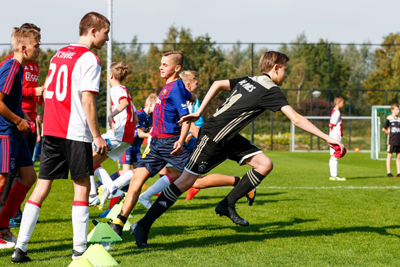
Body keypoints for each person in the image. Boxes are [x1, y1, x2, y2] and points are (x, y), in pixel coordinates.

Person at [130, 51, 345, 248]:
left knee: (264, 164)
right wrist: (328, 138)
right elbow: (296, 119)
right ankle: (144, 225)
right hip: (213, 136)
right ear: (276, 67)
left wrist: (199, 112)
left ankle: (227, 204)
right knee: (185, 182)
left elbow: (216, 84)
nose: (286, 74)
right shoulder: (271, 90)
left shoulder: (248, 80)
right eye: (285, 69)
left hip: (228, 137)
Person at [12, 12, 110, 263]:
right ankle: (79, 249)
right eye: (105, 33)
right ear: (93, 30)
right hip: (74, 130)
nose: (106, 39)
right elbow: (88, 98)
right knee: (82, 186)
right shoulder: (90, 58)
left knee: (42, 187)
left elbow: (49, 89)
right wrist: (97, 135)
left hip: (52, 129)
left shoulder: (60, 54)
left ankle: (20, 248)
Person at [108, 50, 194, 236]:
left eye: (165, 64)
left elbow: (186, 118)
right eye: (161, 63)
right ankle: (119, 222)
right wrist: (191, 98)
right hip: (155, 145)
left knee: (196, 179)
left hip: (172, 145)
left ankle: (235, 189)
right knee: (135, 182)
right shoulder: (169, 86)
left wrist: (180, 140)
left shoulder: (175, 88)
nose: (160, 67)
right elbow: (189, 96)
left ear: (176, 68)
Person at [0, 26, 41, 249]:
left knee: (28, 177)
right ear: (24, 47)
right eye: (36, 45)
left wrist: (24, 115)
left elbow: (12, 102)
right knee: (3, 179)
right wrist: (17, 121)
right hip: (5, 131)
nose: (39, 49)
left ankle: (3, 225)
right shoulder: (11, 68)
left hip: (17, 130)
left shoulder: (21, 68)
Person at [88, 61, 137, 209]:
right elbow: (135, 116)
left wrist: (111, 115)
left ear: (110, 75)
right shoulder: (125, 89)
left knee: (85, 160)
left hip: (120, 134)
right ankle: (112, 188)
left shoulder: (116, 89)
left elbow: (123, 104)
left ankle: (92, 196)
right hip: (126, 136)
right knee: (93, 162)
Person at [329, 96, 346, 181]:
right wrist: (335, 137)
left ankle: (333, 175)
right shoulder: (337, 112)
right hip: (335, 136)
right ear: (338, 103)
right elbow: (331, 124)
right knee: (335, 155)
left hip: (334, 135)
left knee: (333, 155)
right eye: (342, 103)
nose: (343, 104)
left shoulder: (335, 111)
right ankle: (334, 175)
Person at [382, 103, 400, 177]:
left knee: (399, 157)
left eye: (398, 110)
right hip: (391, 141)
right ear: (392, 110)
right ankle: (389, 172)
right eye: (397, 109)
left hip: (399, 141)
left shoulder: (399, 119)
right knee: (390, 155)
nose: (398, 111)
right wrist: (388, 133)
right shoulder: (389, 118)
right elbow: (384, 128)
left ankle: (399, 172)